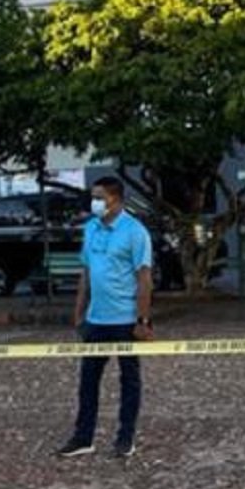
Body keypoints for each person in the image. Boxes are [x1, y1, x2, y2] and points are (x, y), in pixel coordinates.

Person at [56, 175, 152, 459]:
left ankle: (125, 439)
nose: (95, 202)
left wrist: (143, 320)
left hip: (124, 320)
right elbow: (85, 273)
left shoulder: (135, 232)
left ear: (116, 198)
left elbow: (144, 278)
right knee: (88, 381)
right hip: (96, 320)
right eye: (93, 196)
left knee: (129, 380)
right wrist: (78, 314)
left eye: (100, 197)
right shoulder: (91, 229)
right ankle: (83, 437)